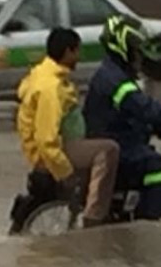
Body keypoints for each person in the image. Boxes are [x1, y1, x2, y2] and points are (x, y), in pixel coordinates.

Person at [84, 15, 161, 220]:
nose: (140, 57)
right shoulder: (114, 79)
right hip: (119, 149)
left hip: (123, 143)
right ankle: (149, 225)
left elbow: (138, 120)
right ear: (124, 48)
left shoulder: (116, 74)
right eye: (136, 51)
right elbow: (145, 108)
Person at [16, 28, 119, 227]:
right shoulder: (51, 88)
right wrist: (65, 173)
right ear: (67, 52)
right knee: (109, 150)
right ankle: (94, 218)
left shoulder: (46, 75)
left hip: (58, 149)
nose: (79, 57)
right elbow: (47, 139)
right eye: (77, 51)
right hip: (54, 154)